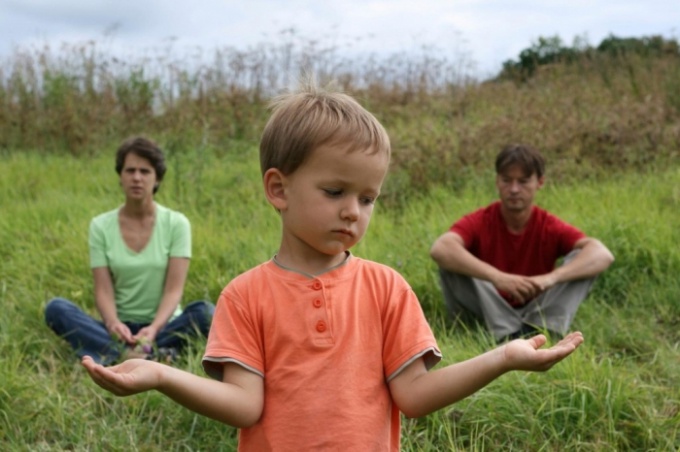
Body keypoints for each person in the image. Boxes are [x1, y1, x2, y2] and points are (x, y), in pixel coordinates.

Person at [82, 82, 584, 451]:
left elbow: (414, 394)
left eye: (368, 198)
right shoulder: (245, 295)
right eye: (335, 191)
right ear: (278, 189)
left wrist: (503, 359)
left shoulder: (385, 288)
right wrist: (161, 376)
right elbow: (245, 406)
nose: (353, 211)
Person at [45, 136, 214, 365]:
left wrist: (153, 328)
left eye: (145, 171)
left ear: (157, 179)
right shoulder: (101, 226)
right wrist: (114, 324)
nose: (136, 178)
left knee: (206, 312)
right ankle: (142, 354)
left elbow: (174, 291)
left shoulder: (177, 224)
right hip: (120, 328)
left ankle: (123, 353)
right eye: (130, 170)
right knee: (56, 309)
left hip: (163, 325)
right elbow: (103, 290)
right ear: (120, 176)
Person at [431, 143, 614, 343]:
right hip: (490, 309)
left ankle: (540, 329)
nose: (514, 189)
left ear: (540, 182)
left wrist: (550, 279)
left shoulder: (548, 225)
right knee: (452, 260)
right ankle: (503, 334)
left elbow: (602, 254)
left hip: (537, 306)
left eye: (523, 181)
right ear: (497, 182)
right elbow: (441, 248)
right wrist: (498, 278)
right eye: (507, 181)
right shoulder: (481, 220)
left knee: (582, 258)